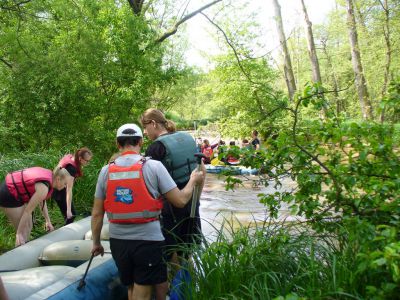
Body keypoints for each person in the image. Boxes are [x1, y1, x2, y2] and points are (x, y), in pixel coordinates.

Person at [90, 123, 205, 300]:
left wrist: (96, 243)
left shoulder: (105, 171)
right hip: (148, 241)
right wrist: (192, 180)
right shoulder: (154, 166)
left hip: (118, 242)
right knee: (143, 290)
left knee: (130, 287)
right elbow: (181, 200)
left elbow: (97, 214)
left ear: (117, 143)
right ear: (141, 142)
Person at [140, 109, 203, 262]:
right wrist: (196, 198)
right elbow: (202, 170)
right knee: (187, 251)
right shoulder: (187, 138)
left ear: (153, 124)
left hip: (170, 209)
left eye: (145, 126)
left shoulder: (156, 148)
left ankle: (175, 284)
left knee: (171, 252)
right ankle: (190, 284)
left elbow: (148, 184)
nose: (144, 132)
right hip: (192, 203)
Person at [0, 166, 69, 247]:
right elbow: (27, 211)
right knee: (23, 231)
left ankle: (24, 247)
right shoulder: (44, 188)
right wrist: (18, 233)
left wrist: (48, 221)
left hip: (12, 190)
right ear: (58, 179)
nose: (65, 187)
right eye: (65, 183)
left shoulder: (49, 177)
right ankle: (20, 252)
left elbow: (41, 200)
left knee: (29, 225)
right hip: (8, 193)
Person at [53, 147, 92, 225]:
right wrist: (68, 210)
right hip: (59, 191)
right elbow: (69, 189)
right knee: (70, 216)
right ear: (80, 158)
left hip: (57, 188)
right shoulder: (72, 169)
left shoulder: (71, 157)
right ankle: (63, 235)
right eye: (87, 161)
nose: (88, 163)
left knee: (70, 216)